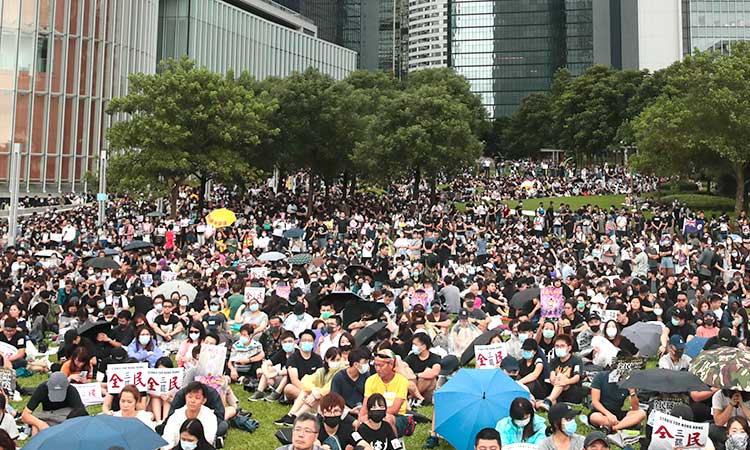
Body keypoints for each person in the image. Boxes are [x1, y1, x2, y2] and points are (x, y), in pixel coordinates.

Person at [359, 348, 414, 438]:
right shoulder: (370, 380)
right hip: (374, 414)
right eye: (376, 365)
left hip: (397, 416)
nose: (377, 369)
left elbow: (395, 409)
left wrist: (374, 414)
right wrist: (361, 418)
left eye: (381, 366)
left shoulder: (402, 381)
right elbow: (365, 404)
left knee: (387, 419)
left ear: (391, 364)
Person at [21, 371, 87, 436]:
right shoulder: (42, 389)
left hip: (66, 417)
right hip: (47, 415)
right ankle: (36, 445)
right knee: (35, 424)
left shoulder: (71, 390)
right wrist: (40, 424)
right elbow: (24, 416)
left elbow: (81, 413)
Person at [588, 369, 646, 438]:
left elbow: (635, 408)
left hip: (617, 413)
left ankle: (614, 428)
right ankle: (625, 425)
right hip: (600, 411)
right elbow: (595, 402)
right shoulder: (601, 376)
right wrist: (608, 414)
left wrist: (632, 392)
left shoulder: (628, 380)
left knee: (641, 413)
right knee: (595, 417)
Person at [162, 382, 218, 449]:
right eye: (190, 397)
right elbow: (167, 439)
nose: (192, 401)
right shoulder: (176, 416)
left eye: (197, 398)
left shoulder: (210, 417)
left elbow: (208, 440)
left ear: (204, 400)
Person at [540, 334, 584, 410]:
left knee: (561, 376)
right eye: (557, 346)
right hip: (557, 391)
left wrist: (565, 382)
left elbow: (577, 377)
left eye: (562, 346)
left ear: (569, 348)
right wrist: (553, 379)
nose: (559, 348)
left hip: (572, 391)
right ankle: (547, 402)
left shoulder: (576, 360)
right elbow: (552, 374)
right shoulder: (554, 361)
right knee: (540, 404)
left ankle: (548, 401)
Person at [404, 333, 440, 407]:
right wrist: (411, 376)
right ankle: (417, 398)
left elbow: (435, 372)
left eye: (415, 345)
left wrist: (417, 375)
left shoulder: (435, 358)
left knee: (428, 373)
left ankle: (413, 397)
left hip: (427, 390)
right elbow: (403, 366)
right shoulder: (412, 357)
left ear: (423, 347)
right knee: (407, 370)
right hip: (413, 385)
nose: (413, 347)